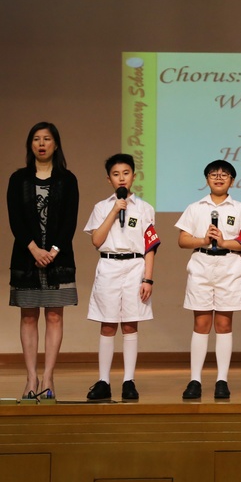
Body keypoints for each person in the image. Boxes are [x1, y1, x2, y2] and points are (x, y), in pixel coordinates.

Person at [7, 122, 79, 400]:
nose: (41, 143)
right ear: (30, 145)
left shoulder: (67, 179)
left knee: (54, 315)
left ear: (56, 144)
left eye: (47, 139)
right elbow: (15, 219)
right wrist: (34, 249)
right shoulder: (18, 179)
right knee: (28, 316)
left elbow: (70, 220)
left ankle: (48, 377)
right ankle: (31, 378)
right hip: (26, 259)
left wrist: (53, 251)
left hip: (58, 260)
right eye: (36, 139)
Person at [176, 160, 241, 400]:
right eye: (214, 174)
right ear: (206, 179)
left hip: (229, 267)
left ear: (232, 180)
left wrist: (223, 242)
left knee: (223, 325)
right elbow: (182, 240)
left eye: (224, 174)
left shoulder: (240, 208)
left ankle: (222, 380)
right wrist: (203, 240)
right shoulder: (195, 207)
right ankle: (195, 380)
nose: (219, 178)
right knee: (201, 324)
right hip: (201, 265)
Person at [84, 153, 160, 401]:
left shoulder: (145, 208)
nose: (121, 178)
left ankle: (129, 381)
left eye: (126, 173)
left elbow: (150, 246)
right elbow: (97, 240)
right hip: (108, 266)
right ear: (109, 180)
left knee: (130, 324)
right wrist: (114, 210)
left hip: (135, 267)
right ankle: (103, 381)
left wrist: (147, 279)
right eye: (116, 174)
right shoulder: (101, 207)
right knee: (107, 324)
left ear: (134, 176)